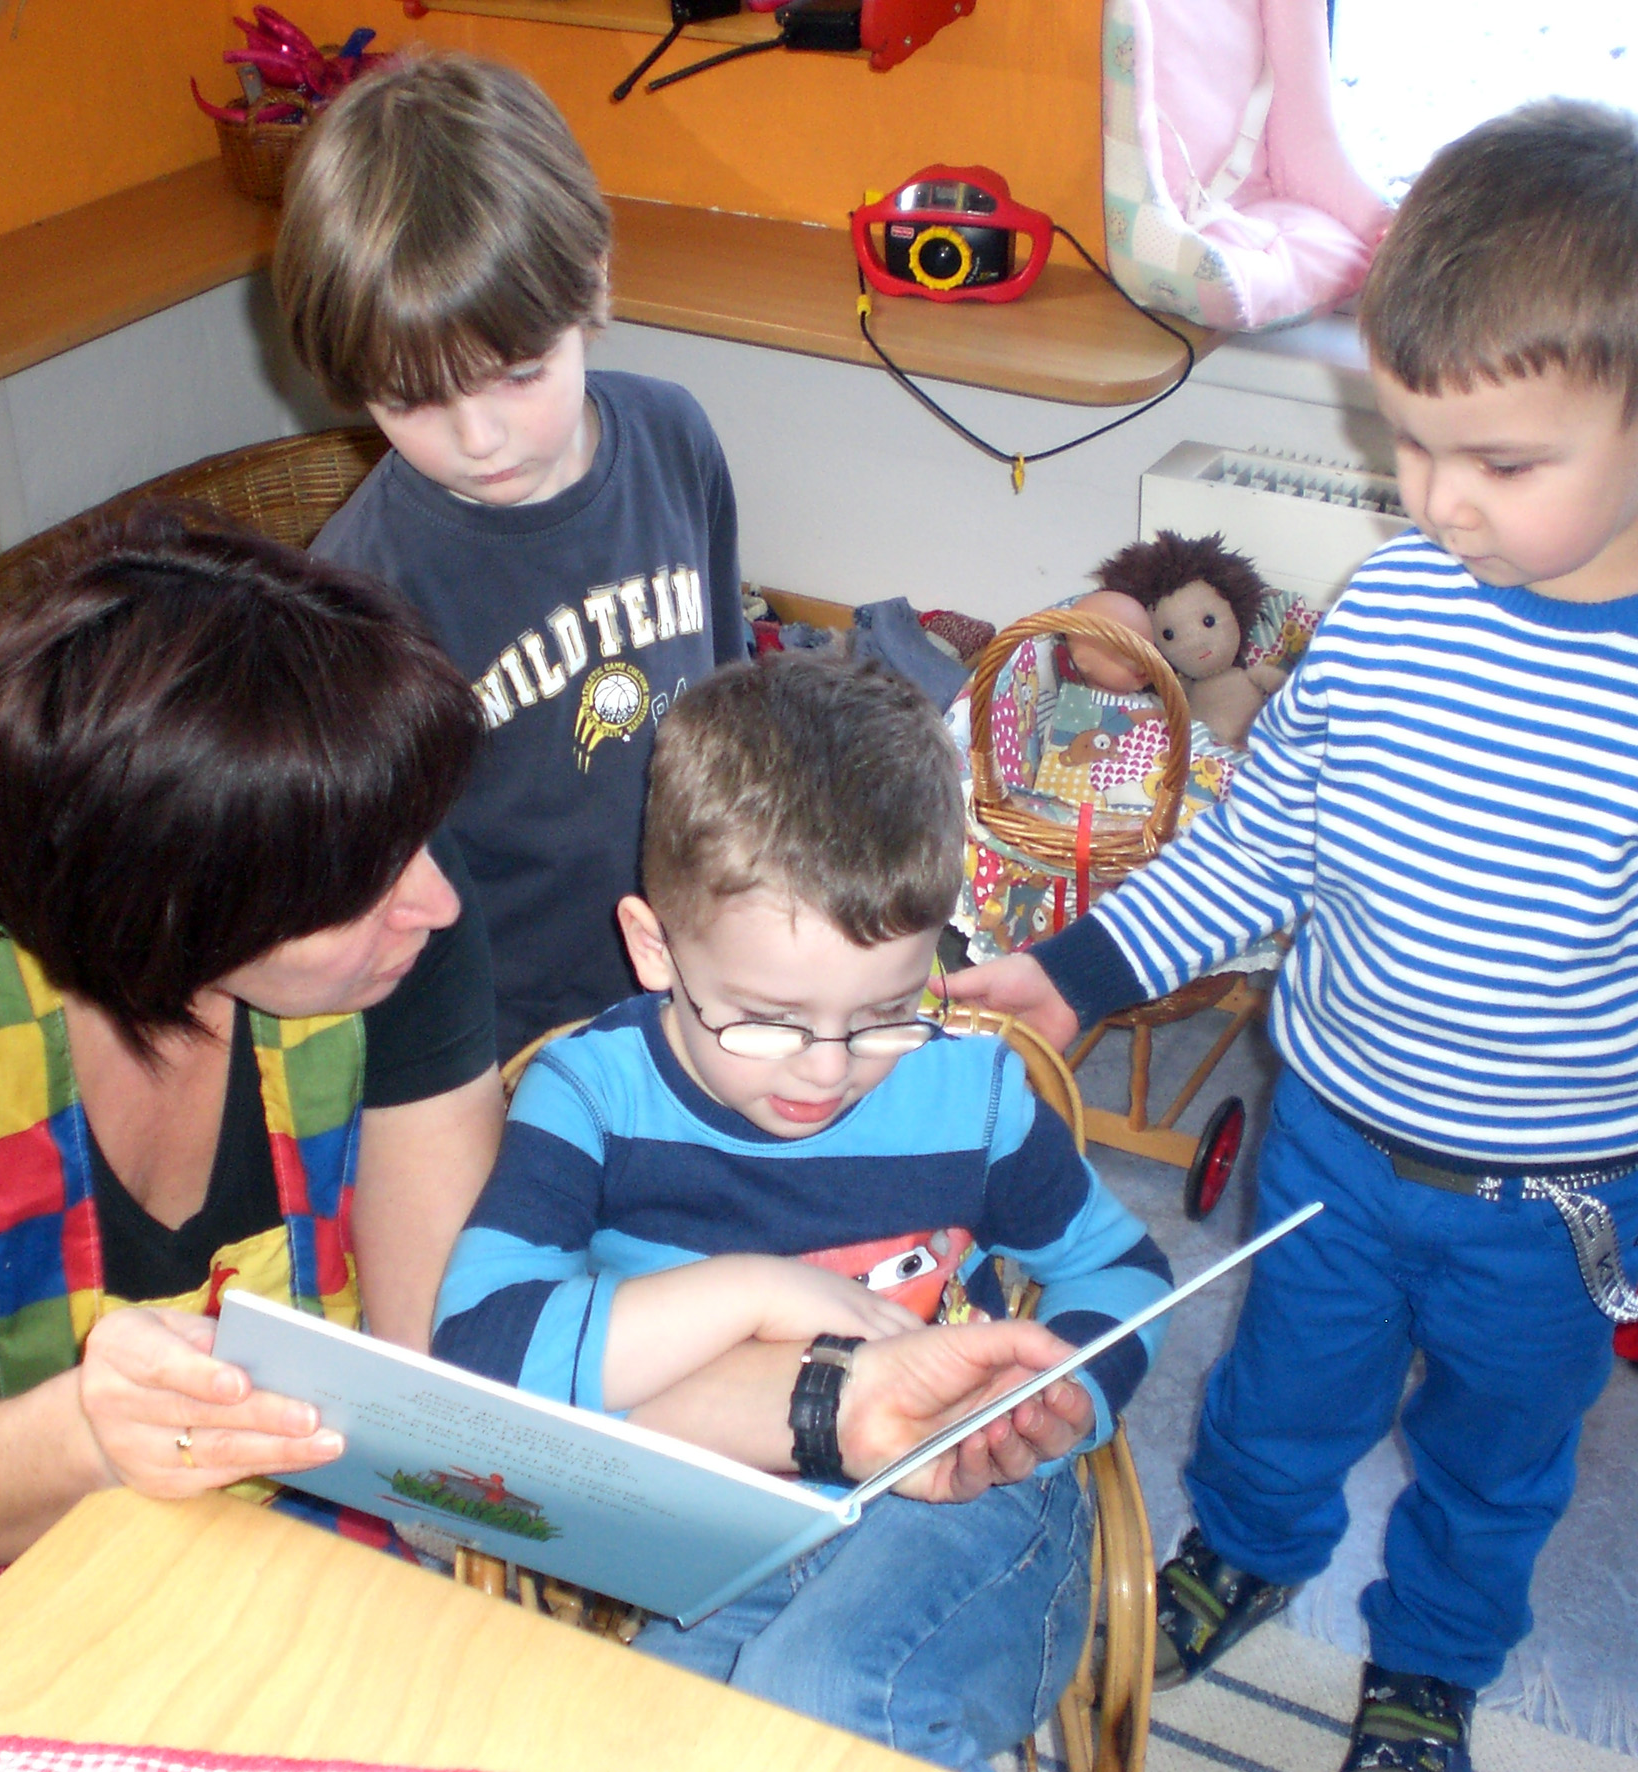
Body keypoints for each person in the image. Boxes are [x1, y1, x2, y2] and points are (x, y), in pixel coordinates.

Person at [946, 101, 1638, 1772]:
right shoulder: (1385, 610)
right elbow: (1264, 844)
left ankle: (1430, 1664)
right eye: (1408, 446)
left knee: (1496, 1461)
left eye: (1500, 464)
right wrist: (1080, 970)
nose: (1438, 503)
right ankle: (1246, 1552)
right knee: (1276, 1393)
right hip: (1333, 1143)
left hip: (1559, 1204)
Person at [0, 510, 507, 1769]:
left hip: (236, 1475)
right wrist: (86, 1438)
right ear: (168, 908)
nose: (434, 900)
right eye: (362, 886)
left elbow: (432, 1355)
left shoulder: (380, 892)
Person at [430, 653, 1173, 1771]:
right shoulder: (589, 1093)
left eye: (885, 1011)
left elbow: (1123, 1270)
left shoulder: (967, 1095)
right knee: (637, 1738)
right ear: (653, 946)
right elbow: (478, 1355)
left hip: (966, 1507)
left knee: (823, 1693)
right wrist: (757, 1291)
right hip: (722, 1531)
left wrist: (1061, 1390)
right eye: (770, 1018)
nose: (827, 1070)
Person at [276, 51, 747, 1062]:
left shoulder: (676, 437)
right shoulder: (359, 588)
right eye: (411, 399)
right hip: (504, 1030)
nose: (479, 438)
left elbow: (728, 694)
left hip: (700, 968)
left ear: (595, 283)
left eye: (519, 374)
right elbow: (366, 883)